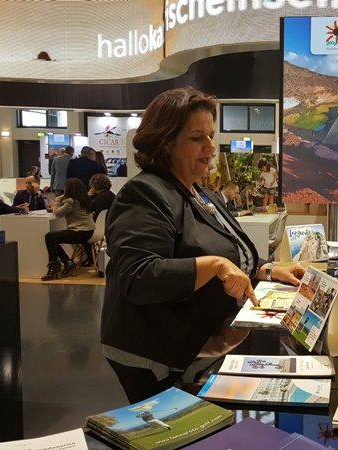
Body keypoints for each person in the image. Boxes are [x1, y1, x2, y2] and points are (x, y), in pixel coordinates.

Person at [100, 87, 305, 403]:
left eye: (211, 135)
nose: (211, 146)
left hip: (201, 344)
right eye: (198, 138)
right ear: (165, 143)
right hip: (158, 353)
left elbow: (232, 251)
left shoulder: (201, 193)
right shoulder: (145, 193)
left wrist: (269, 269)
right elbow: (138, 276)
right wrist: (214, 266)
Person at [41, 178, 96, 280]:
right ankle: (67, 262)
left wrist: (58, 200)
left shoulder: (72, 202)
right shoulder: (84, 199)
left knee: (50, 237)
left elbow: (57, 213)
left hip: (79, 232)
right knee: (54, 239)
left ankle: (55, 265)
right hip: (88, 232)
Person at [81, 173, 115, 267]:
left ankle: (91, 258)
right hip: (108, 226)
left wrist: (89, 195)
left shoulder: (101, 198)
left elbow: (96, 213)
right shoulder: (110, 195)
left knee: (82, 233)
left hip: (100, 228)